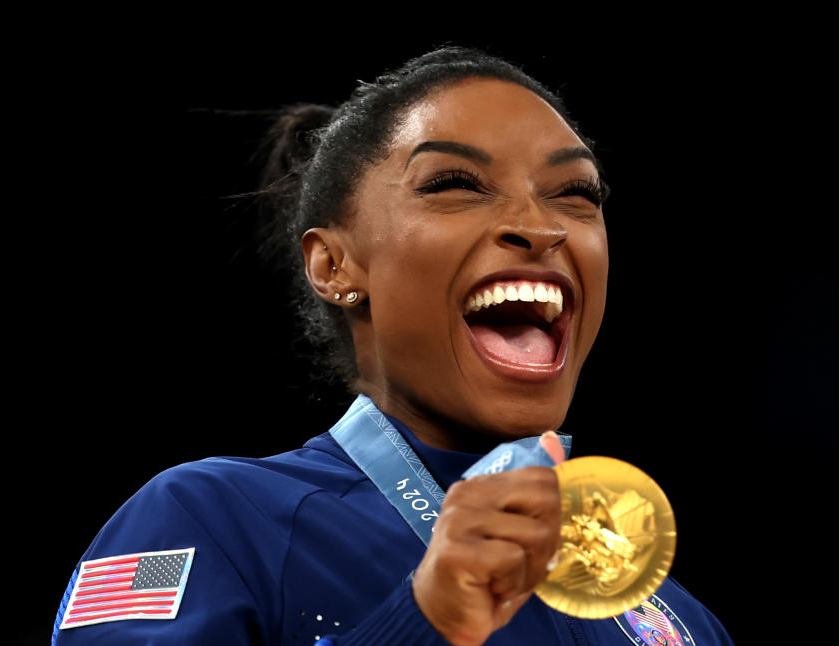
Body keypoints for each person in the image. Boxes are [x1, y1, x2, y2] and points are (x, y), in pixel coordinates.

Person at [51, 46, 734, 645]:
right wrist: (424, 619)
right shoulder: (206, 521)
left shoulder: (672, 615)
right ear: (334, 266)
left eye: (576, 194)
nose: (539, 226)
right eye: (454, 184)